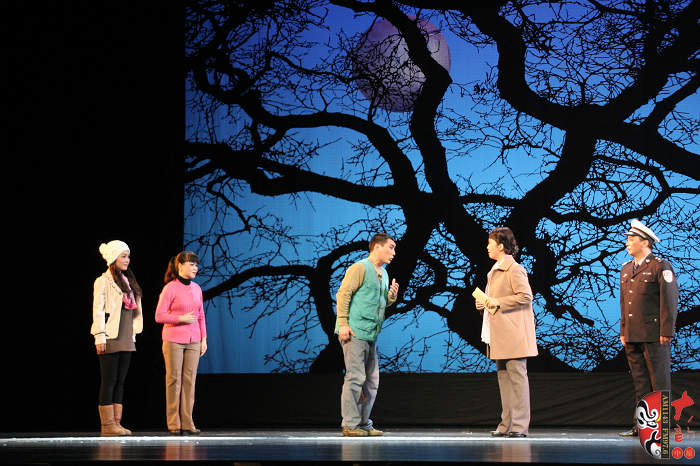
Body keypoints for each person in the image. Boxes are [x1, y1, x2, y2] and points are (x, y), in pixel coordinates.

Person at [335, 233, 399, 437]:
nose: (393, 253)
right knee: (355, 378)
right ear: (377, 247)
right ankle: (350, 424)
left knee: (372, 382)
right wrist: (343, 323)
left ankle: (363, 423)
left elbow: (377, 302)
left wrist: (391, 297)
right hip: (354, 331)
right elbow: (343, 294)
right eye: (391, 247)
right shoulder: (360, 268)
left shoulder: (384, 274)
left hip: (371, 334)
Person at [618, 220, 678, 437]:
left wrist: (666, 331)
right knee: (640, 382)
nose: (627, 243)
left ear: (645, 242)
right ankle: (642, 426)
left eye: (631, 239)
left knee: (658, 381)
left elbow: (669, 300)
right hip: (632, 333)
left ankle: (661, 426)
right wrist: (623, 330)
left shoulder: (660, 266)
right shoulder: (626, 269)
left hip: (654, 334)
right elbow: (625, 304)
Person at [476, 227, 537, 438]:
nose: (487, 247)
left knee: (517, 379)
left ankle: (519, 426)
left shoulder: (514, 269)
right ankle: (506, 425)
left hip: (513, 333)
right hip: (500, 333)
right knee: (504, 379)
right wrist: (484, 303)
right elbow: (495, 301)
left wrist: (497, 301)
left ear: (501, 246)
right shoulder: (494, 270)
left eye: (490, 243)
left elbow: (525, 296)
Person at [91, 240, 143, 436]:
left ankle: (117, 423)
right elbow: (98, 310)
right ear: (114, 258)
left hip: (126, 336)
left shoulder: (128, 280)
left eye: (128, 256)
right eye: (123, 256)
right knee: (109, 380)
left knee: (120, 381)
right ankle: (107, 425)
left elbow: (133, 311)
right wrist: (99, 336)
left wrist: (133, 334)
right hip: (110, 336)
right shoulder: (102, 281)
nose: (127, 260)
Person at [155, 251, 208, 435]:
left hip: (194, 340)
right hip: (173, 340)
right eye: (191, 264)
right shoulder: (170, 288)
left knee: (189, 380)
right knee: (174, 379)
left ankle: (187, 422)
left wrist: (204, 339)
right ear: (180, 266)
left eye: (196, 265)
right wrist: (180, 318)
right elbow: (159, 316)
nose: (195, 268)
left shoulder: (197, 288)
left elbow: (201, 315)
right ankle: (173, 423)